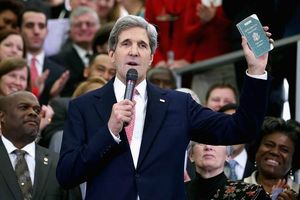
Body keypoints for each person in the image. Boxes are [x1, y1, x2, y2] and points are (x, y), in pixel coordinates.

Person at [57, 15, 272, 199]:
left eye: (142, 45)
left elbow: (241, 128)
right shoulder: (83, 107)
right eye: (125, 44)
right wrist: (109, 131)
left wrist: (256, 71)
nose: (134, 51)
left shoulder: (179, 105)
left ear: (151, 57)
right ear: (111, 54)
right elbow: (66, 175)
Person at [0, 91, 82, 200]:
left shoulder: (60, 164)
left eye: (37, 110)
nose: (33, 113)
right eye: (24, 108)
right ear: (2, 116)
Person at [185, 142, 271, 199]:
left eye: (216, 142)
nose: (208, 147)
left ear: (228, 155)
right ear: (191, 155)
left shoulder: (252, 193)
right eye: (201, 142)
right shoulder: (177, 191)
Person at [20, 6, 69, 105]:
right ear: (19, 29)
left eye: (41, 26)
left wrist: (52, 97)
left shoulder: (60, 72)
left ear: (47, 32)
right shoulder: (9, 65)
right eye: (30, 25)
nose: (36, 31)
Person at [244, 116, 299, 199]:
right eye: (269, 145)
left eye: (284, 150)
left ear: (294, 159)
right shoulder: (234, 190)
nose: (275, 152)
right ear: (256, 149)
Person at [219, 103, 255, 180]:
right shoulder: (203, 164)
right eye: (226, 125)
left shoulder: (258, 166)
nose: (232, 131)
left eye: (238, 125)